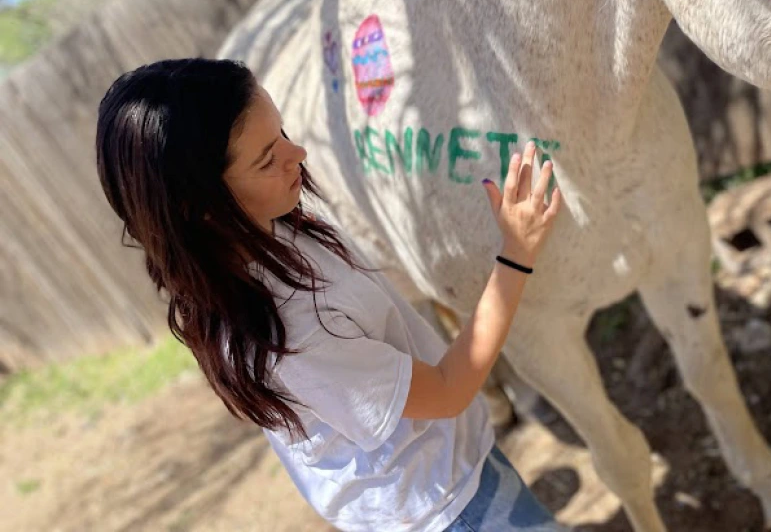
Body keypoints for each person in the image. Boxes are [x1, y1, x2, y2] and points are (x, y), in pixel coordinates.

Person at [95, 57, 567, 532]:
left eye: (281, 132)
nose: (297, 152)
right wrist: (516, 253)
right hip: (446, 510)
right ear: (199, 208)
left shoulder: (272, 226)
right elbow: (447, 390)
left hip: (453, 468)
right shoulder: (290, 334)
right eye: (266, 158)